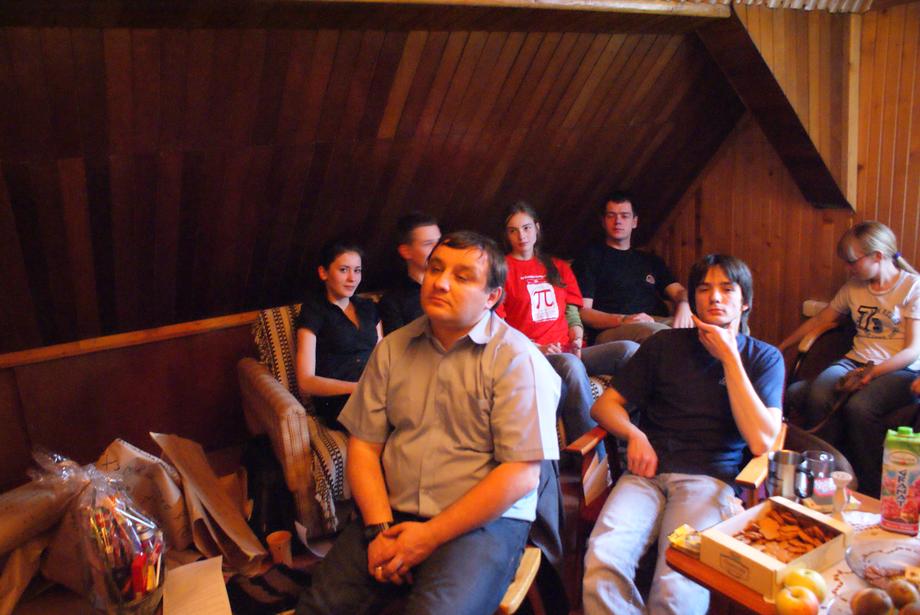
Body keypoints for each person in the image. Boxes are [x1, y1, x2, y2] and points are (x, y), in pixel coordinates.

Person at [295, 231, 561, 615]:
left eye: (462, 276)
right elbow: (364, 446)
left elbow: (520, 474)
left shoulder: (516, 358)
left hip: (481, 523)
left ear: (492, 297)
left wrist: (428, 537)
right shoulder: (392, 348)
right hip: (392, 511)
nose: (441, 282)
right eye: (435, 269)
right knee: (318, 607)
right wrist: (379, 530)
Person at [582, 254, 784, 615]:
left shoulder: (763, 358)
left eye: (727, 289)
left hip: (709, 482)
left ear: (745, 301)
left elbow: (762, 442)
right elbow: (604, 407)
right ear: (693, 300)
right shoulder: (664, 346)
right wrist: (635, 435)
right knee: (602, 557)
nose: (715, 297)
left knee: (676, 582)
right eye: (704, 289)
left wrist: (730, 358)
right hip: (644, 476)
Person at [780, 221, 920, 497]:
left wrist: (873, 373)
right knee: (818, 393)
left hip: (900, 369)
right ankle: (827, 474)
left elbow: (912, 351)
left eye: (852, 261)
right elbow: (821, 320)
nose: (847, 268)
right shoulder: (853, 287)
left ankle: (870, 484)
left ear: (877, 256)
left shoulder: (912, 288)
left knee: (860, 408)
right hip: (855, 361)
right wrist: (783, 346)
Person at [498, 201, 638, 442]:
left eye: (527, 228)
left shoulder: (557, 266)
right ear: (506, 234)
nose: (522, 236)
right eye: (513, 230)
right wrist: (537, 347)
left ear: (537, 228)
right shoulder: (500, 270)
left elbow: (571, 313)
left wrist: (576, 337)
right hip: (534, 355)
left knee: (630, 351)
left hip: (570, 349)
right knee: (571, 365)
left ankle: (629, 436)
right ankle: (591, 456)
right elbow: (500, 328)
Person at [573, 192, 693, 344]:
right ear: (603, 221)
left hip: (655, 321)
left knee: (703, 328)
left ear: (634, 222)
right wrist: (623, 319)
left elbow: (680, 292)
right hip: (612, 329)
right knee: (660, 334)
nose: (618, 221)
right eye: (611, 216)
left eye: (624, 216)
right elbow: (584, 312)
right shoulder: (590, 258)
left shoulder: (650, 260)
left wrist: (684, 304)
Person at [294, 239, 382, 431]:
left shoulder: (368, 307)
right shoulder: (313, 312)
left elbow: (382, 356)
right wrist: (357, 388)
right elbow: (306, 382)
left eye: (357, 270)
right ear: (323, 273)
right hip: (340, 400)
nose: (352, 278)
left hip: (376, 392)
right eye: (344, 270)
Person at [378, 212, 441, 335]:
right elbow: (396, 344)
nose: (438, 249)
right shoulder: (393, 301)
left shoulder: (456, 287)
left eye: (439, 242)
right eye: (428, 244)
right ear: (406, 251)